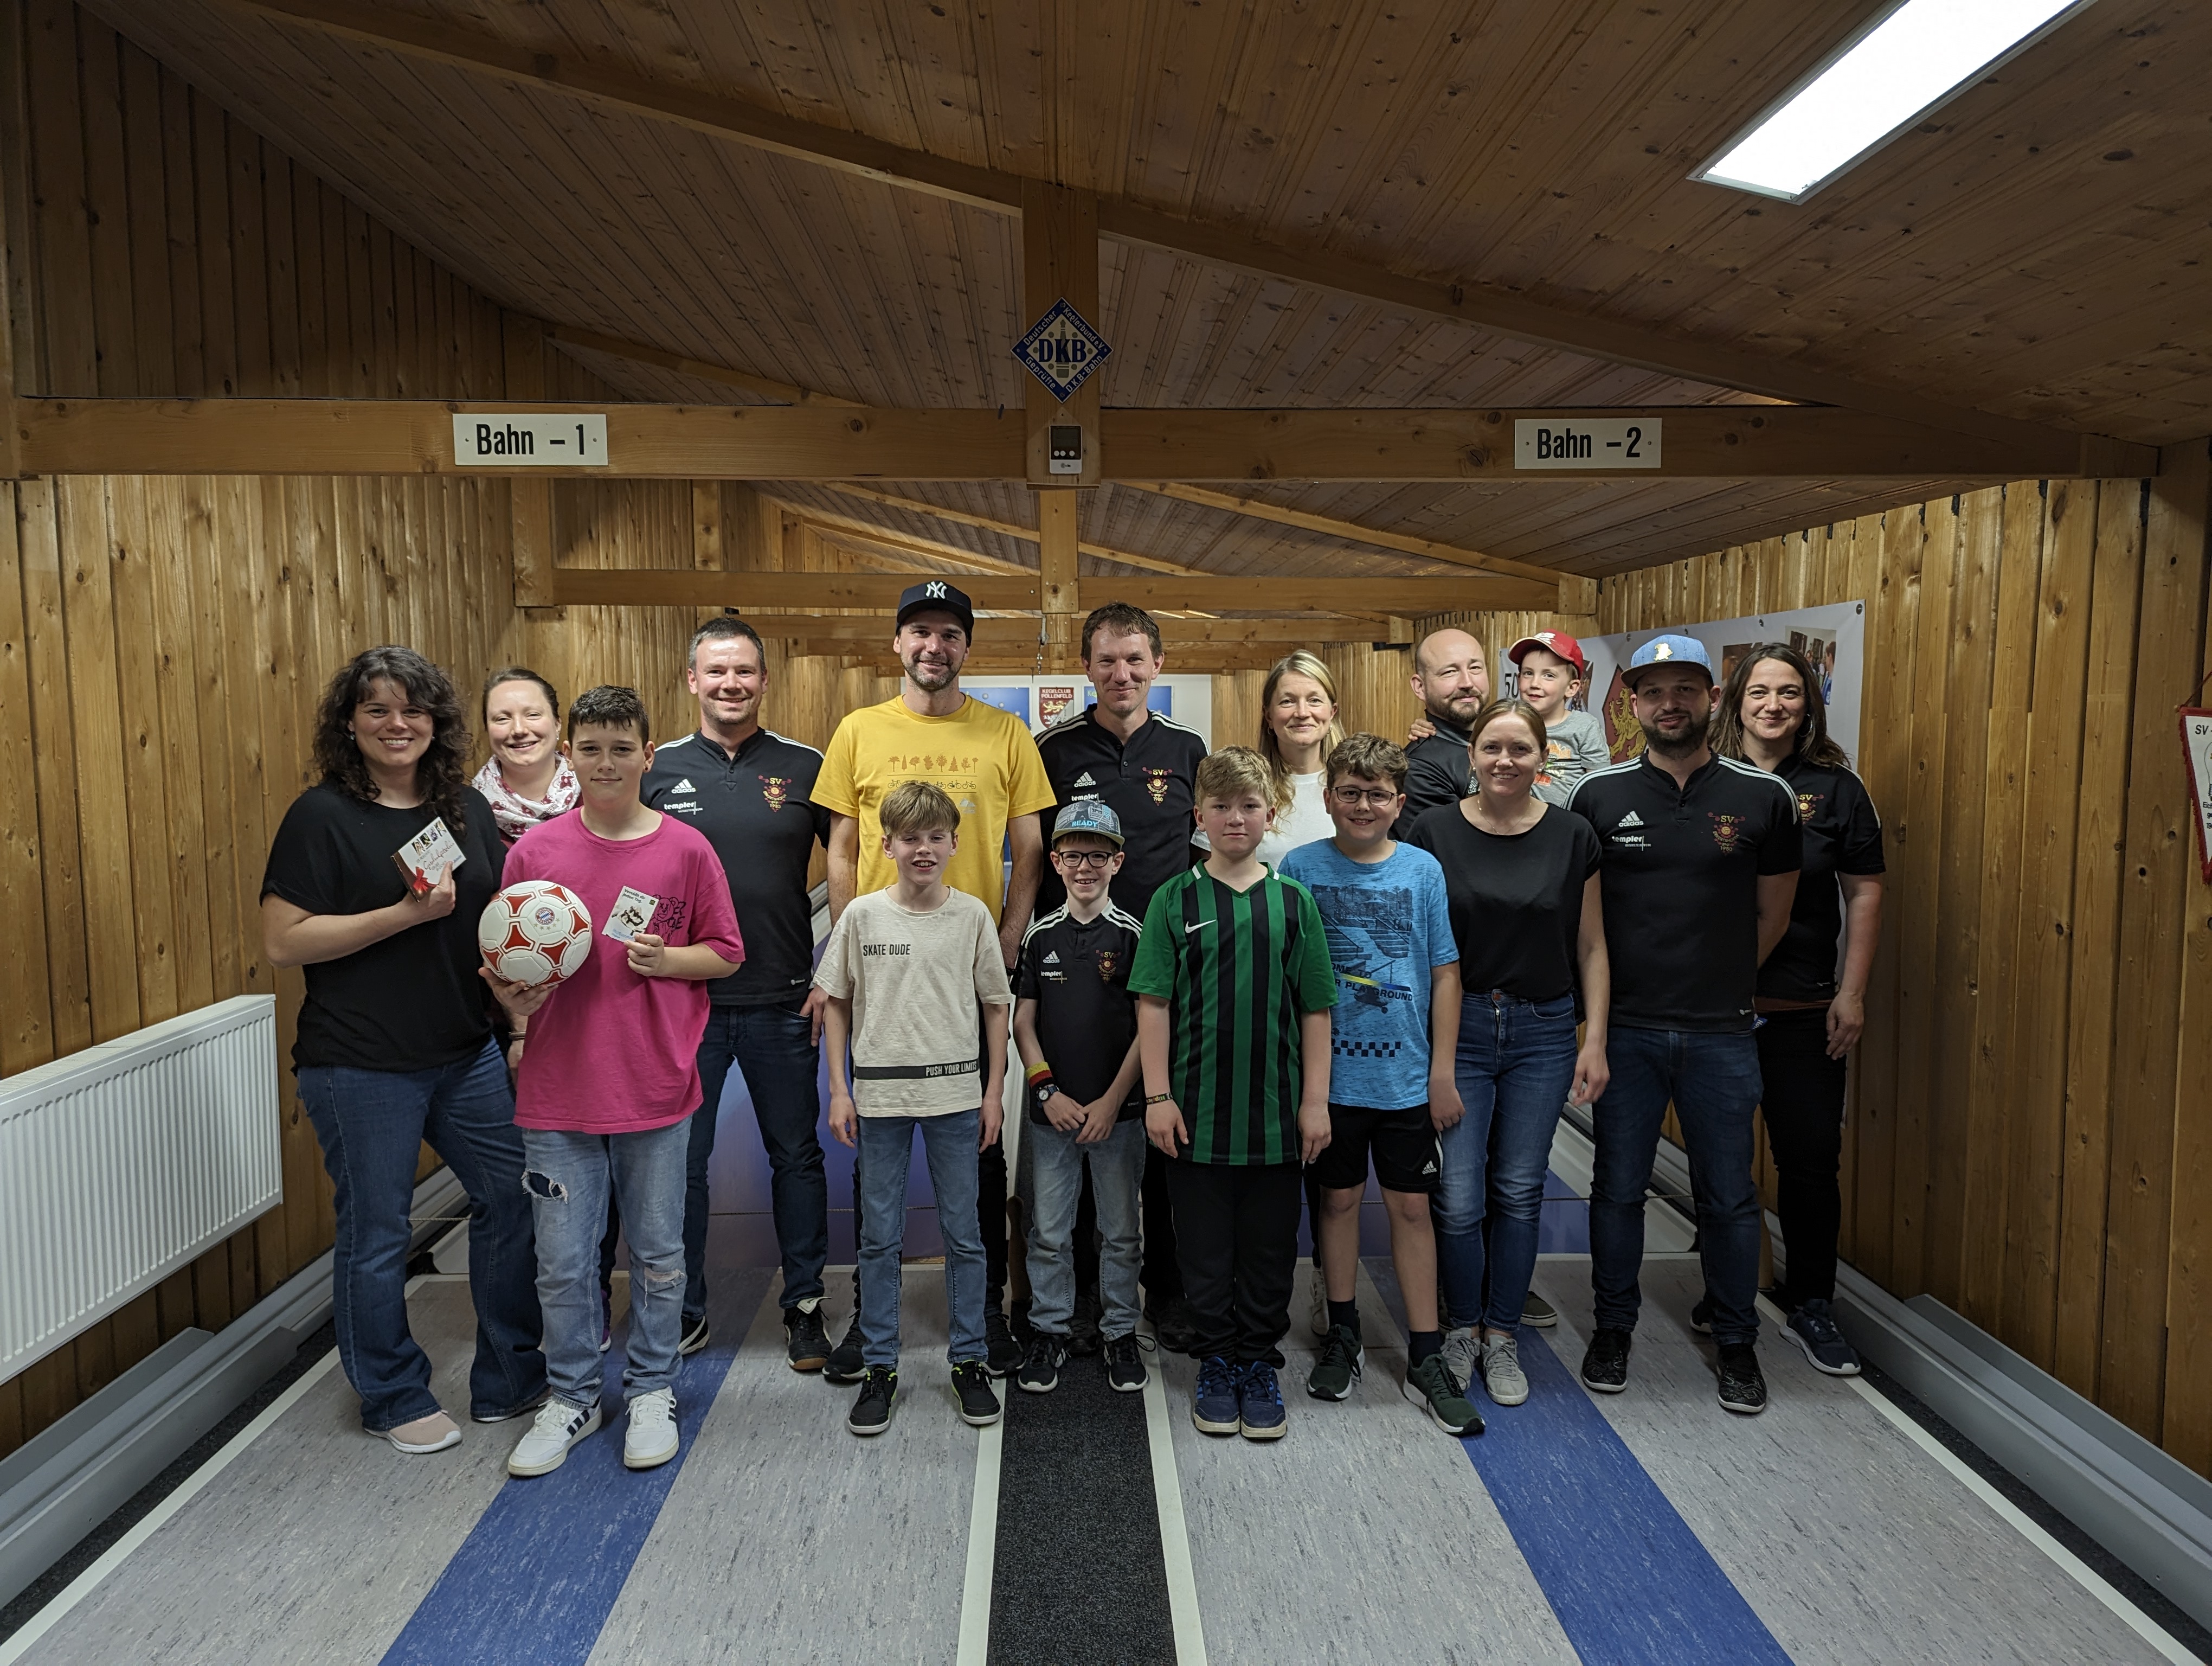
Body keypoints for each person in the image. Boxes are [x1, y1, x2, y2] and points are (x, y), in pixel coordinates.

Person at [261, 646, 545, 1455]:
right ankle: (391, 1393)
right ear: (349, 723)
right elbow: (283, 941)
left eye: (413, 710)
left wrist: (515, 1010)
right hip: (360, 1064)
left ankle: (510, 1372)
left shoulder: (465, 809)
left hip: (463, 1052)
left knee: (511, 1196)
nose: (398, 724)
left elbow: (485, 922)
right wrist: (401, 916)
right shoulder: (322, 816)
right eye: (378, 709)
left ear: (437, 722)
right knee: (379, 1230)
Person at [486, 686, 745, 1477]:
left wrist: (669, 960)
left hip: (655, 1087)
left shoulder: (687, 851)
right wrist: (517, 1004)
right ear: (569, 755)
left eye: (621, 749)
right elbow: (504, 965)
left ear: (648, 756)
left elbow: (726, 953)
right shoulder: (533, 855)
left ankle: (651, 1388)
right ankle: (571, 1395)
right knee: (563, 1261)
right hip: (558, 1094)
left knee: (660, 1254)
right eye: (591, 749)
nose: (606, 763)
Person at [814, 580, 1057, 1380]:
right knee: (876, 1169)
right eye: (920, 631)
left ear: (965, 648)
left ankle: (983, 1317)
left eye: (949, 634)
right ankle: (868, 1323)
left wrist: (1009, 937)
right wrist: (845, 956)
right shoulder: (858, 730)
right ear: (898, 643)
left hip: (965, 968)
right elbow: (842, 849)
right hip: (884, 973)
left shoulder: (1006, 733)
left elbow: (1030, 845)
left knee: (979, 1156)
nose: (933, 646)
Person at [1567, 636, 1800, 1415]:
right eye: (1654, 692)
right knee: (1616, 1190)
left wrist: (1719, 978)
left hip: (1721, 1033)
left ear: (1712, 698)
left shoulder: (1763, 797)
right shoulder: (1596, 796)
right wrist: (1594, 1029)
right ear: (1633, 705)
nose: (1670, 704)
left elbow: (1774, 915)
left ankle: (1737, 1341)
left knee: (1728, 1196)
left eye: (1686, 690)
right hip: (1626, 1030)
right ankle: (1613, 1329)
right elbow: (1586, 926)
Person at [644, 618, 836, 1372]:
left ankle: (805, 1307)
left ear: (764, 680)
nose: (731, 684)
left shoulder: (805, 765)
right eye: (717, 671)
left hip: (784, 1000)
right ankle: (684, 1310)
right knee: (680, 1165)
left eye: (745, 671)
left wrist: (834, 971)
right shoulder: (657, 768)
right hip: (684, 1006)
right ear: (692, 680)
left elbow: (849, 866)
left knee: (797, 1156)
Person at [1407, 700, 1611, 1409]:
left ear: (1542, 758)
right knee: (1461, 1195)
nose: (1505, 760)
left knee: (1520, 1191)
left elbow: (1592, 946)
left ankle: (1501, 1335)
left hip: (1544, 1031)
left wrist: (1595, 1039)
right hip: (1459, 1027)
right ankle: (1461, 1328)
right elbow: (1420, 949)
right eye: (1492, 747)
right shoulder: (1433, 832)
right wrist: (1430, 1058)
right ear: (1471, 756)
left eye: (1520, 749)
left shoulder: (1573, 836)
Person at [1133, 747, 1337, 1441]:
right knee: (1204, 1250)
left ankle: (1257, 1360)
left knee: (1270, 1249)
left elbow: (1316, 1009)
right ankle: (1217, 1360)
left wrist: (1316, 1102)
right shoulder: (1174, 900)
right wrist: (1157, 1096)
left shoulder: (1294, 902)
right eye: (1220, 806)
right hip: (1195, 1114)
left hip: (1276, 1115)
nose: (1236, 818)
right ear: (1199, 817)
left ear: (1270, 814)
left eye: (1249, 806)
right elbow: (1153, 1004)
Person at [1281, 735, 1483, 1436]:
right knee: (1336, 1203)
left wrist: (1441, 1071)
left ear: (1399, 803)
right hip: (1331, 1082)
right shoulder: (1301, 868)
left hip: (1404, 1082)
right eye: (1350, 792)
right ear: (1329, 797)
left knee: (1411, 1211)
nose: (1363, 805)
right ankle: (1344, 1332)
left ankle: (1426, 1354)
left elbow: (1446, 974)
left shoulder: (1422, 871)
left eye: (1377, 795)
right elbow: (1293, 979)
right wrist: (1305, 1087)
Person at [1035, 601, 1208, 1355]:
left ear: (1158, 665)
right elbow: (1037, 857)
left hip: (1163, 969)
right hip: (1078, 970)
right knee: (1080, 1128)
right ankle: (1078, 1294)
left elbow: (1204, 854)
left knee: (1161, 1131)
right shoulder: (1053, 749)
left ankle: (1166, 1290)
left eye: (1135, 659)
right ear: (1086, 668)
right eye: (1107, 660)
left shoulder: (1187, 748)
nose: (1122, 673)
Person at [816, 780, 1012, 1437]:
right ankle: (880, 1367)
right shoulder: (862, 916)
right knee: (879, 1239)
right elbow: (836, 1002)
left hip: (956, 1099)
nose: (923, 849)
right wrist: (839, 1089)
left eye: (935, 837)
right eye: (910, 838)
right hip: (880, 1100)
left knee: (965, 1236)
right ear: (887, 846)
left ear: (955, 844)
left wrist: (993, 1091)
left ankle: (969, 1359)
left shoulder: (973, 917)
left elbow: (996, 1007)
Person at [1711, 643, 1884, 1376]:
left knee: (1810, 1161)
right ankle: (1726, 1291)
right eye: (1759, 691)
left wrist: (1852, 991)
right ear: (1736, 701)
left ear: (1809, 703)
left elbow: (1864, 893)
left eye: (1789, 692)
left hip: (1805, 1005)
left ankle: (1812, 1302)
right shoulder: (1708, 779)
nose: (1773, 705)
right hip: (1714, 1008)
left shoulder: (1837, 789)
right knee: (1721, 1163)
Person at [1011, 800, 1149, 1395]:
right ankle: (1050, 1330)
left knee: (1121, 1232)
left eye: (1097, 856)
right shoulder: (1039, 935)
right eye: (1072, 856)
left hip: (1119, 1116)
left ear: (1117, 862)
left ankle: (1120, 1331)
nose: (1084, 867)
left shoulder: (1135, 935)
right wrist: (1047, 1091)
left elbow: (1149, 1028)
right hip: (1054, 1116)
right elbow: (1023, 1023)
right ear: (1056, 863)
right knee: (1049, 1231)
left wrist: (1113, 1101)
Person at [1392, 629, 1490, 834]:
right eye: (1450, 672)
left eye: (1475, 668)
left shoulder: (1502, 739)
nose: (1467, 683)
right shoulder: (1418, 769)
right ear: (1420, 687)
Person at [474, 668, 579, 846]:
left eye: (533, 715)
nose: (519, 730)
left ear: (557, 724)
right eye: (502, 719)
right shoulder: (470, 810)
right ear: (487, 730)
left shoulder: (595, 792)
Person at [1507, 632, 1610, 808]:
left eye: (1549, 675)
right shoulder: (1509, 723)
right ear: (1518, 680)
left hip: (1567, 820)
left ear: (1571, 688)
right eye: (1528, 673)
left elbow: (1601, 787)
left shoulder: (1584, 727)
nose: (1534, 683)